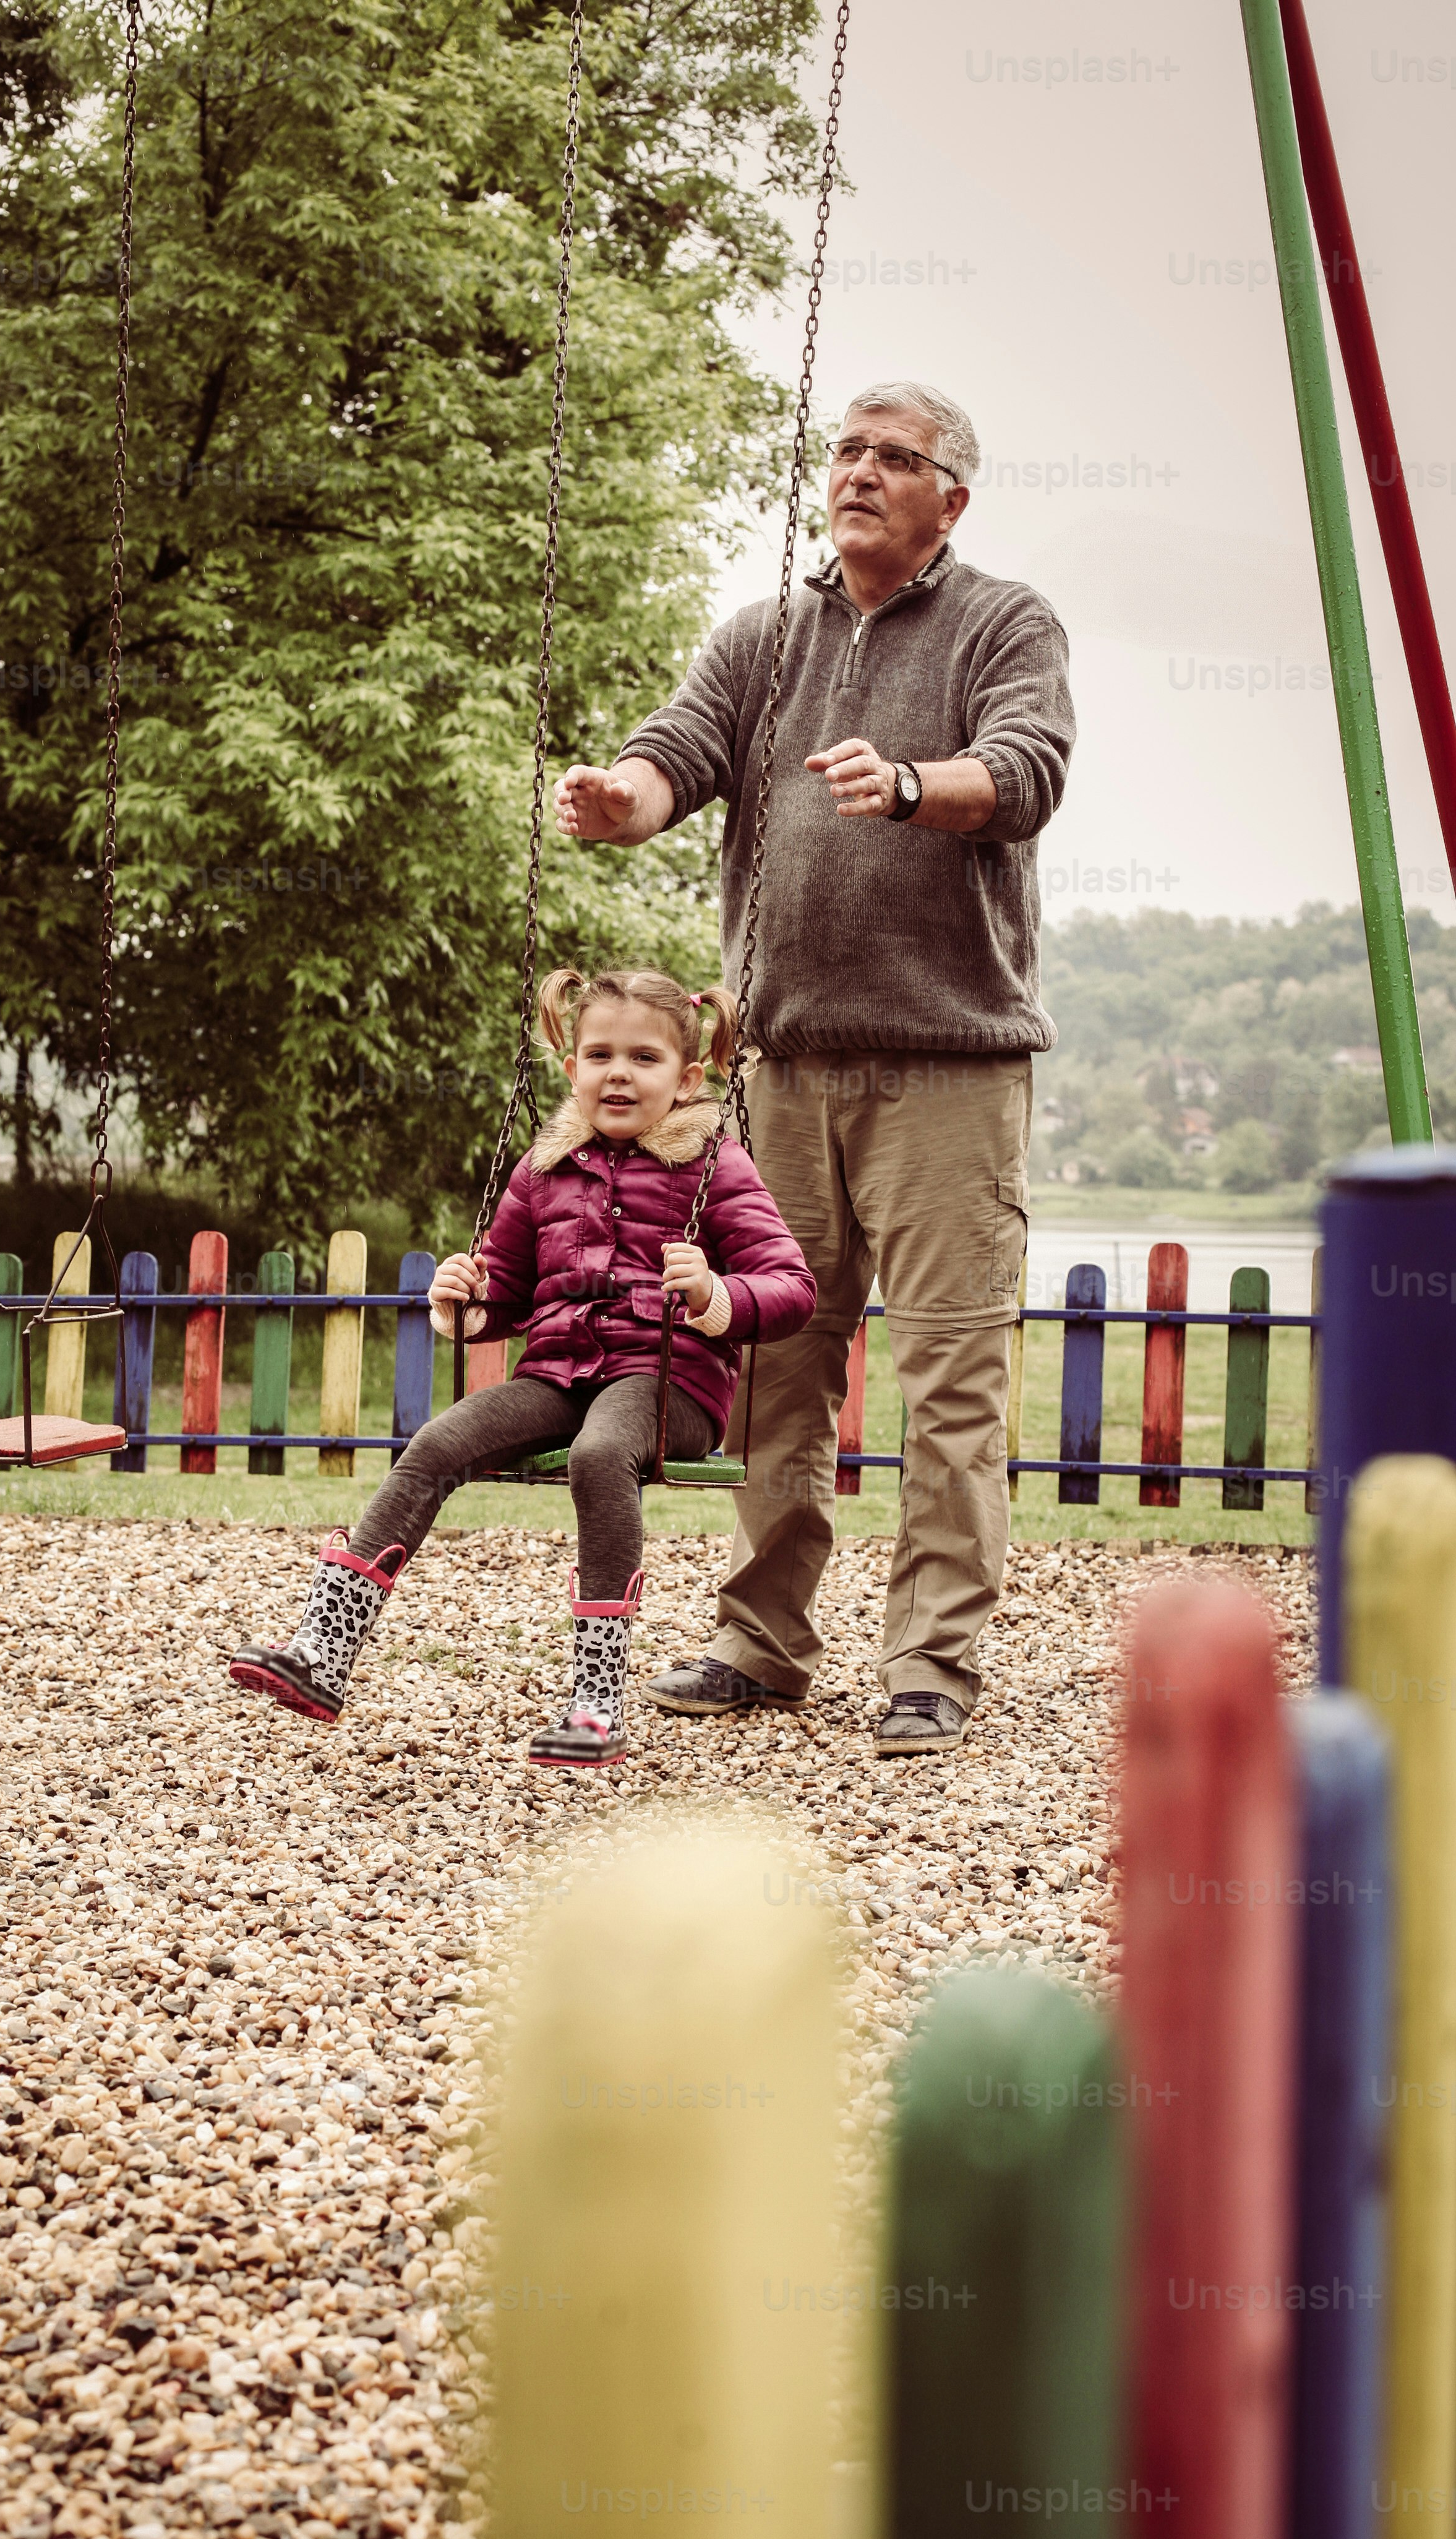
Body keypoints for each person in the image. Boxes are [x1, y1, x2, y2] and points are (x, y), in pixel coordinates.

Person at [554, 380, 1074, 1756]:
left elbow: (1026, 771)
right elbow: (677, 754)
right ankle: (762, 1639)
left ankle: (931, 1662)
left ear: (948, 499)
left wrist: (909, 784)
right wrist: (624, 799)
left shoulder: (1002, 622)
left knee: (952, 1377)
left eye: (894, 459)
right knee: (776, 1361)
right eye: (846, 450)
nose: (858, 473)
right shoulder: (765, 635)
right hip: (779, 1066)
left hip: (949, 1068)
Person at [230, 966, 817, 1767]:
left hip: (669, 1386)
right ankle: (322, 1653)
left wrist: (715, 1295)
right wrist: (460, 1304)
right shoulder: (542, 1172)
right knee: (438, 1442)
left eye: (643, 1059)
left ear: (685, 1081)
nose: (618, 1072)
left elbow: (793, 1287)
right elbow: (501, 1296)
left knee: (601, 1453)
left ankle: (596, 1702)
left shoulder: (715, 1167)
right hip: (560, 1375)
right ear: (572, 1068)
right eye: (599, 1053)